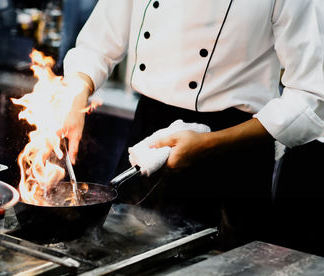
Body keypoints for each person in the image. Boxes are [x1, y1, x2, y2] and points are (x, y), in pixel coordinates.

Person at [60, 0, 324, 251]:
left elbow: (311, 97)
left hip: (234, 152)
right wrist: (77, 92)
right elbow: (97, 45)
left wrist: (210, 143)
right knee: (120, 254)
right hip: (150, 139)